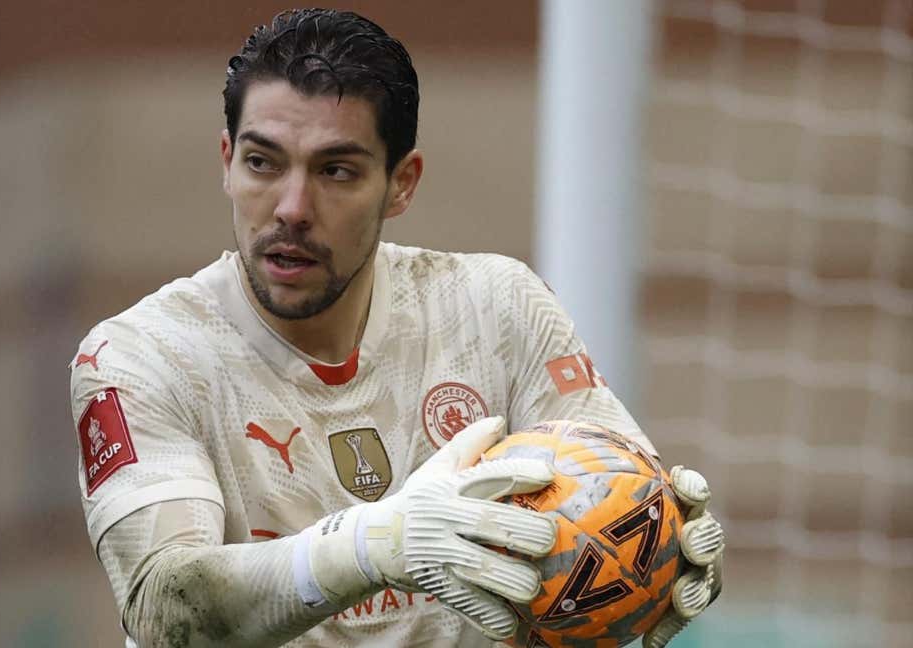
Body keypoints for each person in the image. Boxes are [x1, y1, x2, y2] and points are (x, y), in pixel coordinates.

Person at [70, 8, 723, 647]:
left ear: (401, 184)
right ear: (226, 160)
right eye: (263, 163)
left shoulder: (496, 310)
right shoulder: (142, 356)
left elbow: (614, 495)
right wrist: (375, 545)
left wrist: (665, 548)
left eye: (336, 171)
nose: (292, 209)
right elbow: (162, 606)